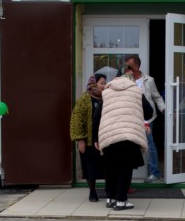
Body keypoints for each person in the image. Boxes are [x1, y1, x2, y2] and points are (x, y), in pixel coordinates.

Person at [98, 73, 150, 211]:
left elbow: (97, 116)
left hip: (109, 135)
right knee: (125, 169)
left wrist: (97, 138)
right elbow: (149, 112)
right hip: (129, 135)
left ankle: (111, 198)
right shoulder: (136, 91)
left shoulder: (106, 93)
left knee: (111, 168)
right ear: (130, 81)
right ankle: (121, 201)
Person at [124, 55, 165, 183]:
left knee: (150, 146)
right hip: (131, 118)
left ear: (136, 66)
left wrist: (164, 109)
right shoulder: (124, 80)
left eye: (129, 66)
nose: (126, 68)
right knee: (130, 146)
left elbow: (157, 97)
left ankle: (154, 173)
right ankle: (129, 175)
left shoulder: (149, 80)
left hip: (147, 119)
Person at [69, 74, 107, 202]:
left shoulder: (107, 98)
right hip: (88, 142)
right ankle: (92, 191)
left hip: (104, 140)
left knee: (106, 167)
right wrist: (80, 140)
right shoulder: (84, 99)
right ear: (94, 83)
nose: (104, 85)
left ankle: (109, 190)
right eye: (101, 83)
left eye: (105, 83)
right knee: (90, 168)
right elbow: (77, 120)